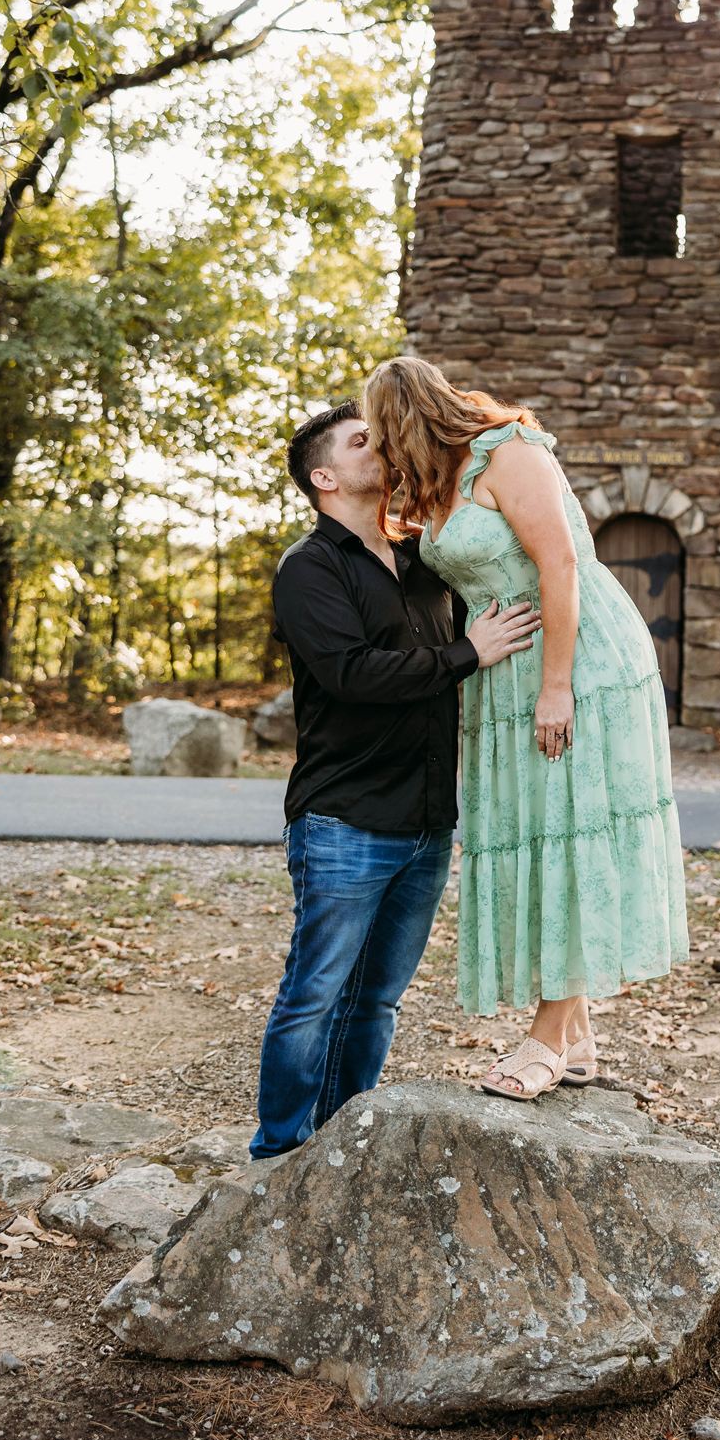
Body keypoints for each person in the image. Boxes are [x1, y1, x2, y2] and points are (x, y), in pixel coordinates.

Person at [362, 357, 689, 1101]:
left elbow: (561, 564)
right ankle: (577, 1039)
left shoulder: (509, 451)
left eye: (378, 434)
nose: (378, 450)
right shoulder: (439, 484)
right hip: (502, 674)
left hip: (577, 662)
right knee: (542, 834)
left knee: (571, 834)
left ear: (403, 419)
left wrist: (555, 686)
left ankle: (545, 1037)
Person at [249, 398, 538, 1159]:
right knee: (313, 995)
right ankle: (277, 1157)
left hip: (426, 821)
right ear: (324, 477)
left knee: (376, 1002)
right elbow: (351, 674)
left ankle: (341, 1150)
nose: (376, 444)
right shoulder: (308, 568)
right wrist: (467, 653)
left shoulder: (420, 559)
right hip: (343, 819)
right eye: (358, 441)